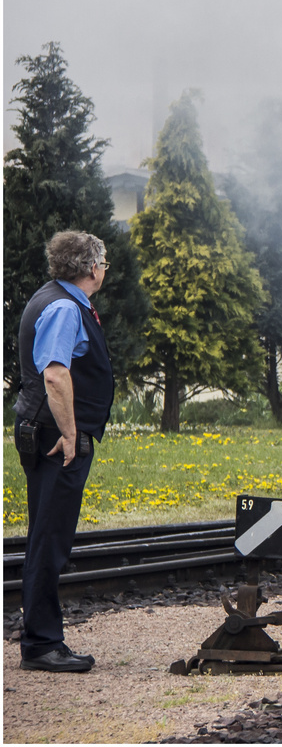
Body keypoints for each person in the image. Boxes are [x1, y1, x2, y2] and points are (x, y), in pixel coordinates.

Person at [13, 231, 114, 672]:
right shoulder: (63, 307)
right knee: (49, 540)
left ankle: (41, 638)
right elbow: (55, 375)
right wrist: (72, 434)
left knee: (46, 536)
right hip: (56, 439)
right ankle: (41, 645)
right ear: (92, 268)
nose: (105, 269)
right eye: (104, 261)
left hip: (48, 432)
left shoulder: (56, 297)